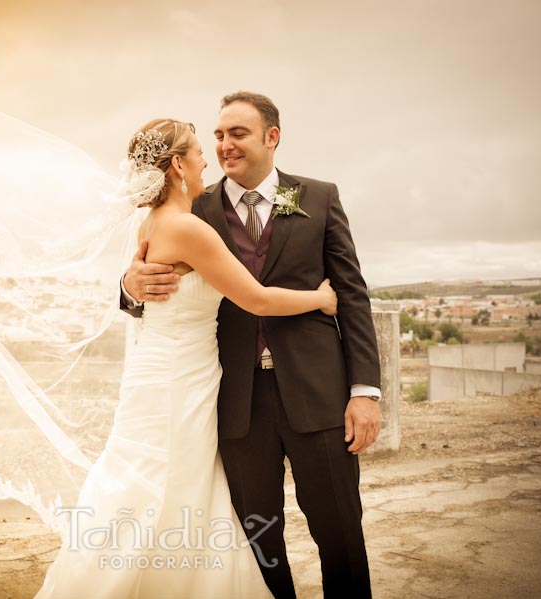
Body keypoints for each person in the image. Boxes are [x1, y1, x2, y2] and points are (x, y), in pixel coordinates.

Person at [35, 118, 339, 598]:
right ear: (178, 165)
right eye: (198, 151)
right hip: (180, 384)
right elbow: (255, 299)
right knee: (170, 485)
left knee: (159, 485)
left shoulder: (152, 222)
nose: (206, 161)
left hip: (167, 373)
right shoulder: (187, 227)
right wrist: (320, 299)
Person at [121, 93, 382, 598]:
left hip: (318, 394)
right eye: (218, 136)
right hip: (234, 402)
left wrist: (364, 391)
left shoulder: (319, 197)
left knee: (341, 535)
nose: (225, 145)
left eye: (238, 134)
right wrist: (130, 286)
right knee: (257, 546)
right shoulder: (191, 207)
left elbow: (352, 295)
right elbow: (146, 274)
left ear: (271, 137)